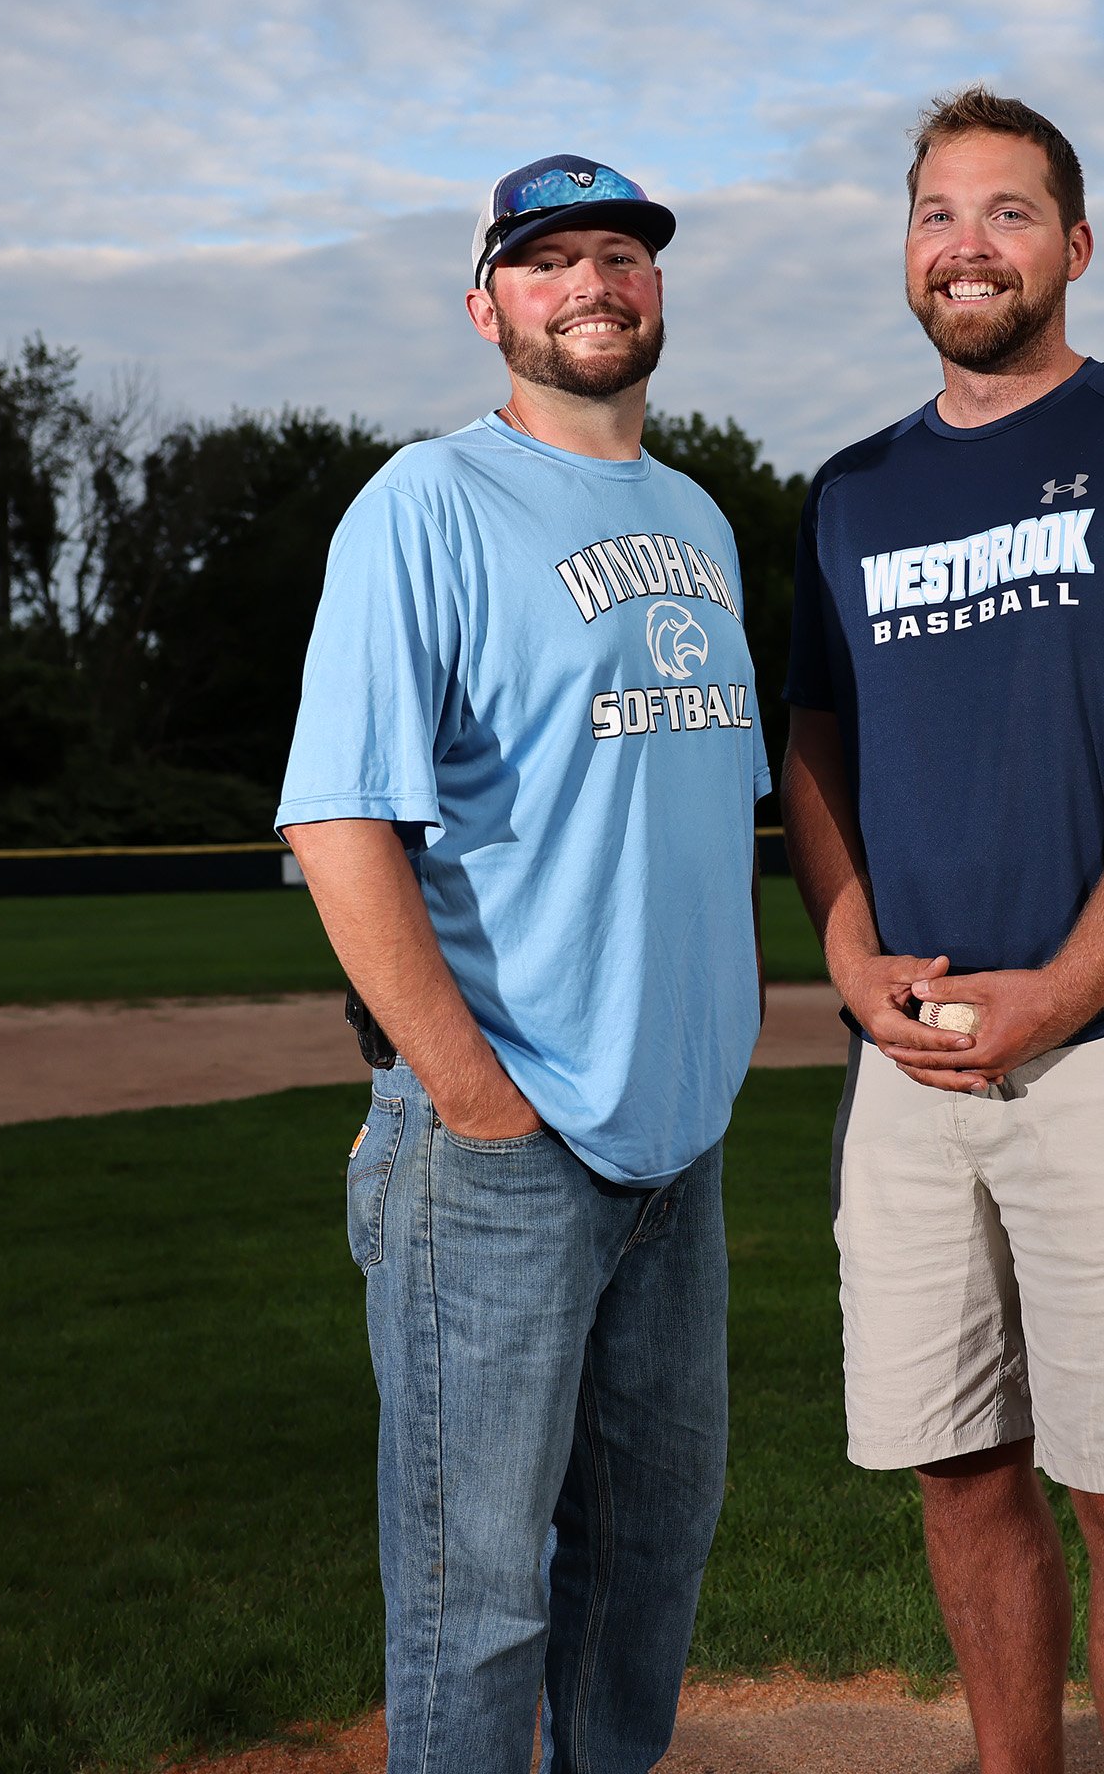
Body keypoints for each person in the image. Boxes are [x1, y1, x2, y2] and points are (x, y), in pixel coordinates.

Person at [778, 89, 1104, 1774]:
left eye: (1007, 213)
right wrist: (849, 961)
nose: (968, 244)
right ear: (904, 250)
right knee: (958, 1462)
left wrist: (1065, 989)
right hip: (910, 1057)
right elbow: (816, 749)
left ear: (1074, 246)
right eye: (937, 212)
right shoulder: (850, 492)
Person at [277, 154, 770, 1773]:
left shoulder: (698, 518)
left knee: (645, 1568)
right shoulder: (426, 501)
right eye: (548, 260)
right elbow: (341, 823)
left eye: (620, 254)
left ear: (657, 291)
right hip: (501, 1148)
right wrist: (473, 1096)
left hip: (674, 1153)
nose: (592, 286)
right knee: (473, 1599)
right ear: (488, 303)